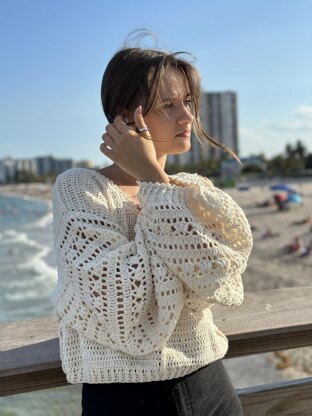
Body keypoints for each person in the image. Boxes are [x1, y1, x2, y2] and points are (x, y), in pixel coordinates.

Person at [51, 42, 253, 416]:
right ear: (127, 114)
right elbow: (121, 306)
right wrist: (178, 269)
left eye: (189, 102)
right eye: (168, 105)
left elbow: (220, 276)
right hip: (125, 397)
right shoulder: (79, 188)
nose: (187, 118)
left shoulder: (194, 190)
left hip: (210, 383)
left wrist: (152, 179)